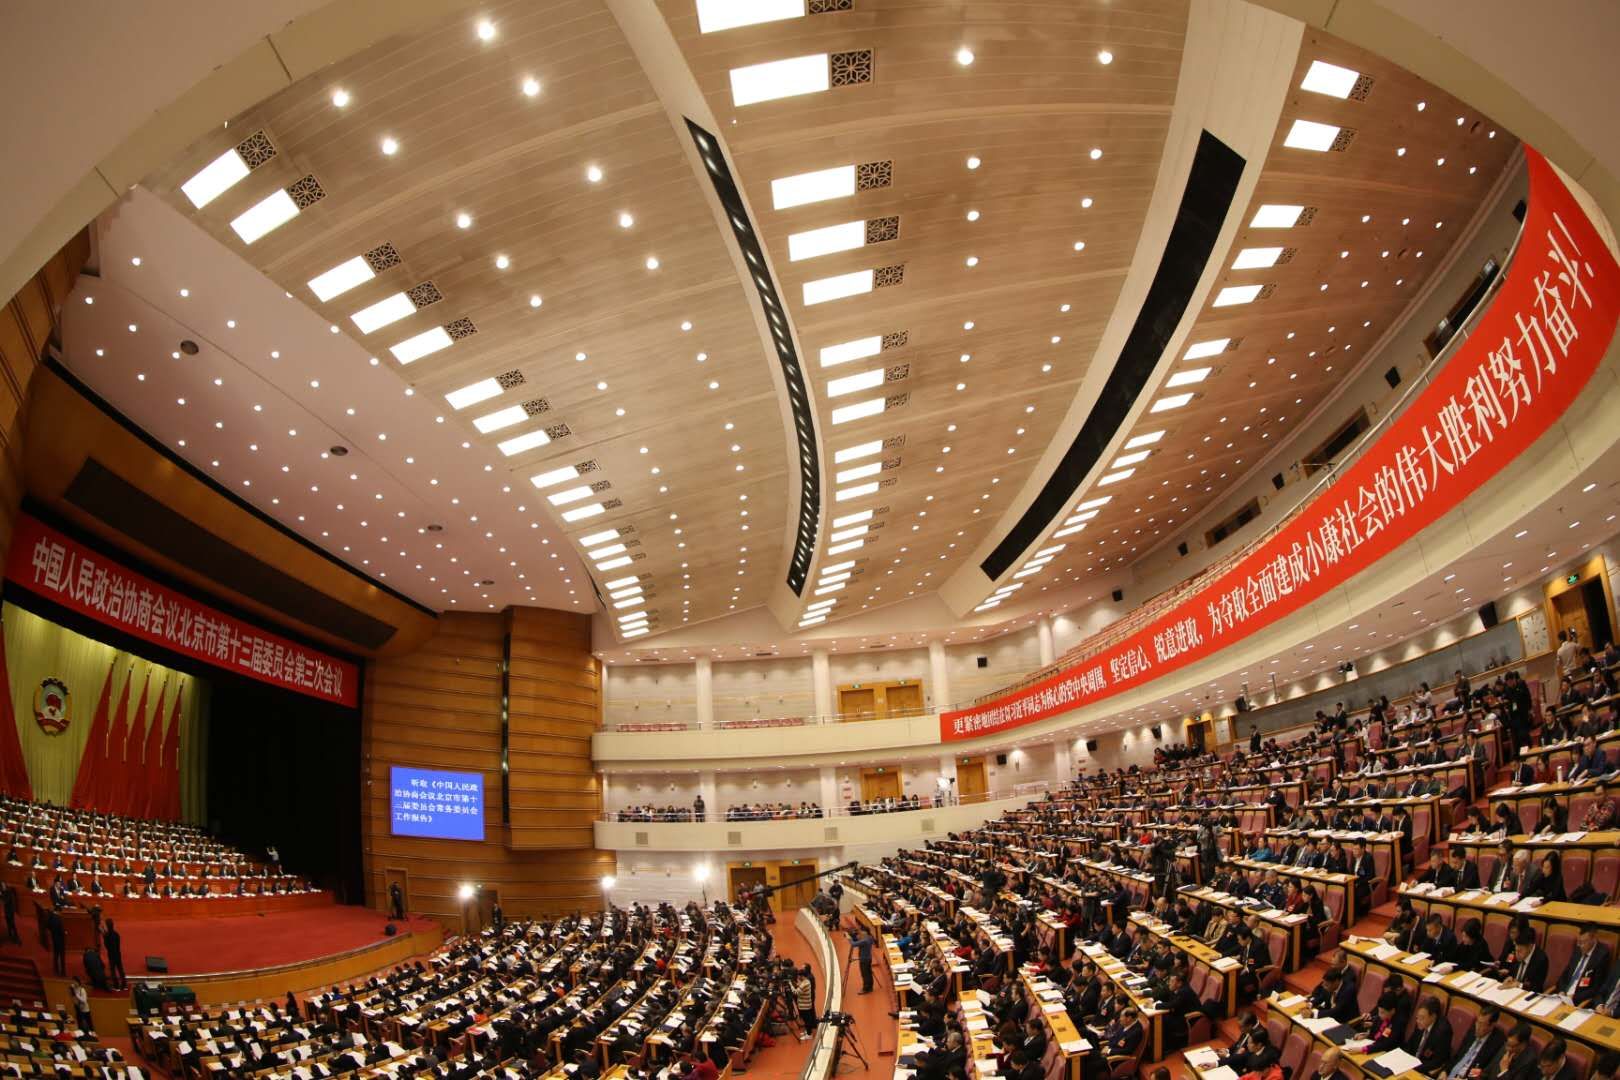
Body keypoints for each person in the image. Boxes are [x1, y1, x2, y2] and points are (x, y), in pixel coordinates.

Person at [1556, 927, 1611, 1005]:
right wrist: (1562, 991)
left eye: (1583, 942)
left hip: (1578, 1002)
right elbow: (1564, 975)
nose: (1580, 945)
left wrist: (1573, 997)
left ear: (1593, 939)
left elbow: (1595, 989)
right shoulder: (1578, 949)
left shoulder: (1602, 955)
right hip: (1562, 997)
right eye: (1579, 942)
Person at [1448, 1005, 1505, 1080]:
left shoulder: (1497, 1042)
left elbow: (1485, 1073)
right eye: (1477, 1022)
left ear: (1492, 1025)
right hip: (1451, 1074)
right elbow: (1458, 1054)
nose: (1477, 1027)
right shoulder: (1473, 1029)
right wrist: (1445, 1071)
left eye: (1482, 1024)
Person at [1405, 996, 1454, 1074]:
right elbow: (1410, 1045)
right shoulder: (1420, 1023)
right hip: (1411, 1065)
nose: (1418, 1021)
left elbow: (1437, 1062)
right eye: (1417, 1017)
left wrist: (1413, 1067)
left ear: (1433, 1016)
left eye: (1422, 1018)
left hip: (1425, 1070)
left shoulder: (1443, 1032)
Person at [850, 927, 875, 994]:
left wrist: (849, 938)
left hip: (864, 959)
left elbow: (853, 944)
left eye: (861, 931)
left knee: (865, 974)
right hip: (868, 958)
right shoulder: (870, 938)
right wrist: (854, 936)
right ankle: (870, 987)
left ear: (865, 932)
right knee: (869, 973)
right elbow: (858, 940)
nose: (860, 933)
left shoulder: (865, 940)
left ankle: (866, 989)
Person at [102, 918, 125, 990]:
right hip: (118, 954)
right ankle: (124, 984)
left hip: (111, 955)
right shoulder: (116, 934)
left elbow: (106, 946)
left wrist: (104, 937)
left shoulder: (106, 935)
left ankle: (116, 985)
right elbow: (118, 945)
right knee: (120, 969)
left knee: (113, 970)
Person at [45, 907, 65, 976]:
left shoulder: (50, 917)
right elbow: (61, 930)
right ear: (58, 911)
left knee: (56, 954)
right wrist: (64, 933)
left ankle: (56, 969)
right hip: (60, 939)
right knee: (62, 956)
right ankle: (63, 971)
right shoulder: (58, 918)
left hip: (54, 938)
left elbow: (47, 926)